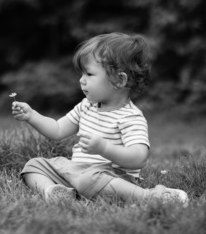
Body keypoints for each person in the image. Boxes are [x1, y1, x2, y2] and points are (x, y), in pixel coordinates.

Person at [11, 32, 189, 205]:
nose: (81, 80)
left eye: (89, 74)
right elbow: (57, 130)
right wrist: (32, 116)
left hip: (110, 177)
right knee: (34, 165)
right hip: (77, 173)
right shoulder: (85, 106)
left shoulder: (131, 117)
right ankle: (55, 192)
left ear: (118, 80)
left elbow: (138, 158)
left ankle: (148, 196)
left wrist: (104, 148)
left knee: (89, 180)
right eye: (82, 74)